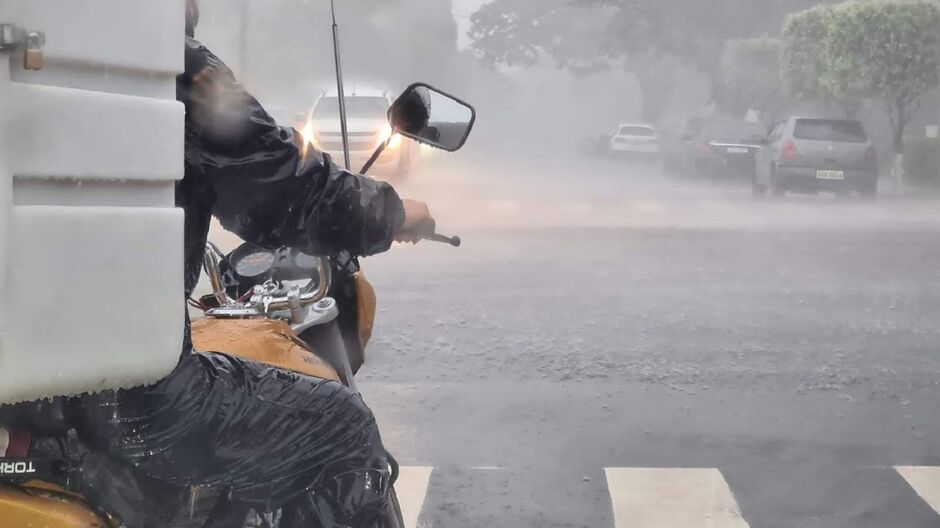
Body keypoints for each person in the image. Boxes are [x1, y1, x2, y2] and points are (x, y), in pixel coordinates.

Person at [4, 1, 437, 526]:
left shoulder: (37, 48)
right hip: (116, 397)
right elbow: (286, 188)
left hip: (22, 383)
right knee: (342, 430)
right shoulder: (159, 60)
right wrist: (394, 214)